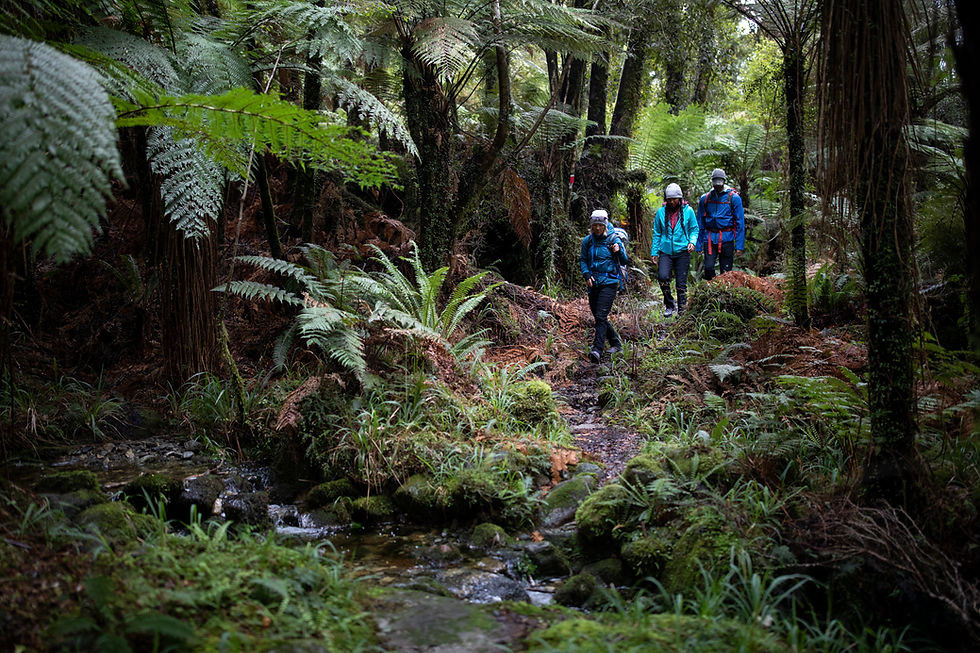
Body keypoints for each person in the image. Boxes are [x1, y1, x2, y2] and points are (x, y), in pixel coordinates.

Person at [580, 209, 628, 363]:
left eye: (601, 225)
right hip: (593, 283)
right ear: (592, 226)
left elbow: (624, 260)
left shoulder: (613, 239)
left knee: (601, 316)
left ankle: (597, 349)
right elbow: (583, 260)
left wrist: (618, 251)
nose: (598, 228)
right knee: (598, 316)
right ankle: (615, 343)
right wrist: (586, 274)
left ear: (605, 225)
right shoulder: (587, 241)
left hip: (610, 282)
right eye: (595, 225)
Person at [651, 183, 698, 316]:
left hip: (683, 251)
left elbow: (694, 229)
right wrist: (654, 252)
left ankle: (682, 310)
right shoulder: (660, 213)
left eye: (674, 199)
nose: (672, 202)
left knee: (681, 282)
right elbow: (657, 233)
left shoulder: (688, 211)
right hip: (665, 251)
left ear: (680, 198)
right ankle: (669, 305)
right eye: (669, 199)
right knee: (663, 277)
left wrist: (692, 242)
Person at [696, 168, 745, 280]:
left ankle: (725, 293)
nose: (717, 186)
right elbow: (700, 222)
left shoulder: (734, 198)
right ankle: (710, 291)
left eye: (719, 183)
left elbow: (740, 223)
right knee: (708, 268)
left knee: (726, 271)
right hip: (709, 238)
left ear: (724, 181)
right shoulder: (705, 199)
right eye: (715, 184)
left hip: (726, 238)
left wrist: (739, 246)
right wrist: (698, 244)